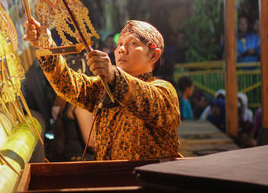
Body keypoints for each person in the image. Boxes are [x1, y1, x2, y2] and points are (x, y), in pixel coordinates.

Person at [24, 19, 180, 160]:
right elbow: (69, 84)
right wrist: (45, 44)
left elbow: (143, 98)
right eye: (119, 44)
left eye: (133, 44)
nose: (121, 49)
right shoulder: (103, 88)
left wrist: (112, 74)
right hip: (109, 179)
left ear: (154, 55)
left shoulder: (164, 91)